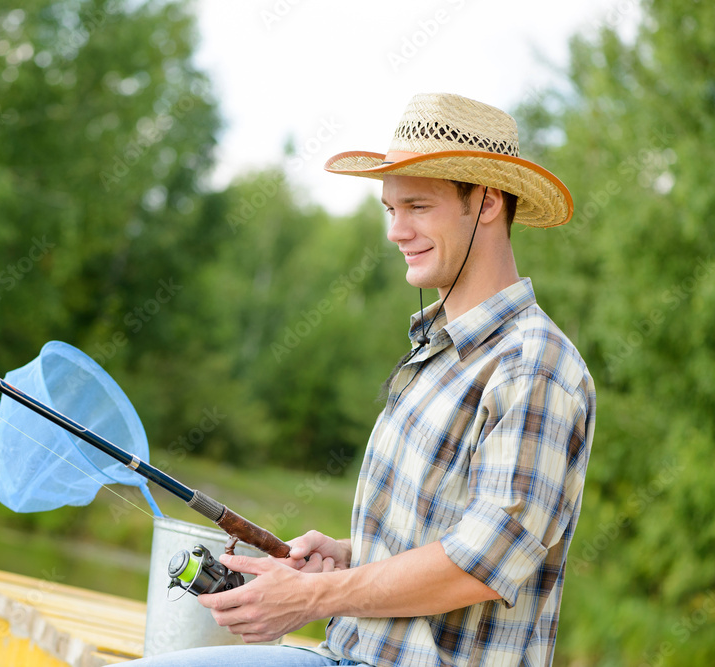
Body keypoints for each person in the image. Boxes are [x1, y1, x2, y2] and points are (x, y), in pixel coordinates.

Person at [128, 92, 596, 666]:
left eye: (418, 206)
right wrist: (351, 557)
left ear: (488, 202)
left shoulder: (534, 366)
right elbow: (439, 540)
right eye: (390, 208)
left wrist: (311, 595)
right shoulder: (440, 351)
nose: (397, 230)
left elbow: (483, 560)